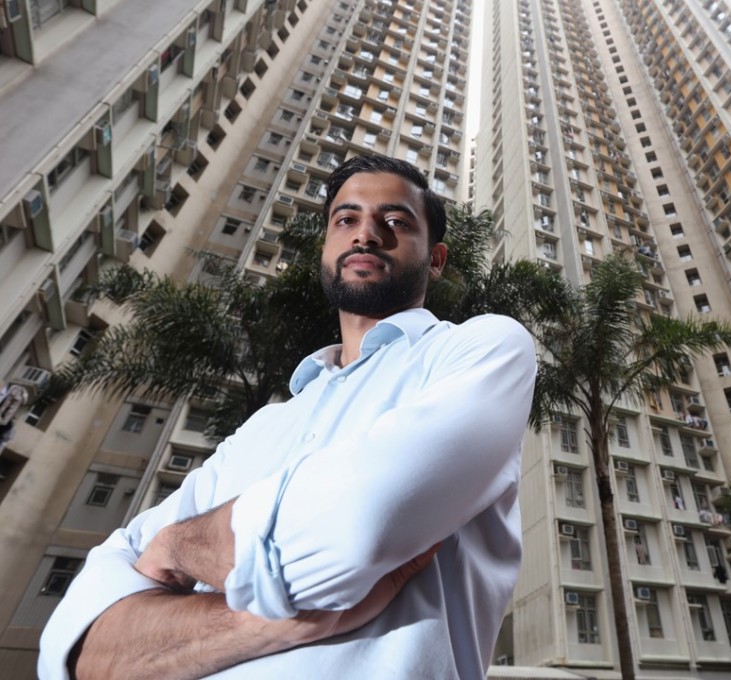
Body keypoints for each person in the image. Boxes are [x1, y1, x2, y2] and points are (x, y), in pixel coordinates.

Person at [39, 155, 537, 679]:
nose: (365, 234)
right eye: (345, 219)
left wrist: (177, 547)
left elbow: (357, 528)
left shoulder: (480, 349)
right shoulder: (263, 427)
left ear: (435, 259)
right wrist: (261, 624)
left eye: (394, 221)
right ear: (326, 246)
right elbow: (78, 652)